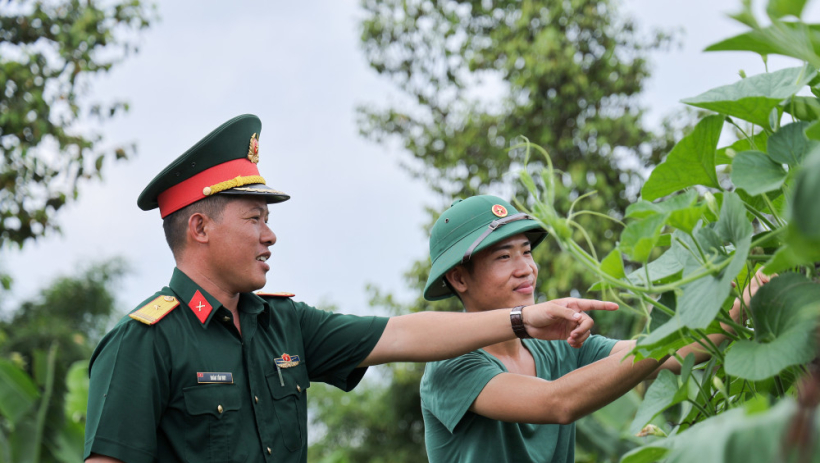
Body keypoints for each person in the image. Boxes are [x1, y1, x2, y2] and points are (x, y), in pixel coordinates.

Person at [83, 115, 620, 463]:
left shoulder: (285, 324)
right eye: (254, 219)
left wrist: (523, 320)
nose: (270, 235)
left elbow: (404, 334)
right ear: (199, 228)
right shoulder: (145, 342)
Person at [419, 194, 768, 463]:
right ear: (459, 278)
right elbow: (558, 402)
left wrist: (743, 306)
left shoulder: (555, 344)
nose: (525, 268)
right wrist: (657, 346)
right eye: (504, 257)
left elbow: (677, 355)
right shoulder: (450, 364)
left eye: (526, 251)